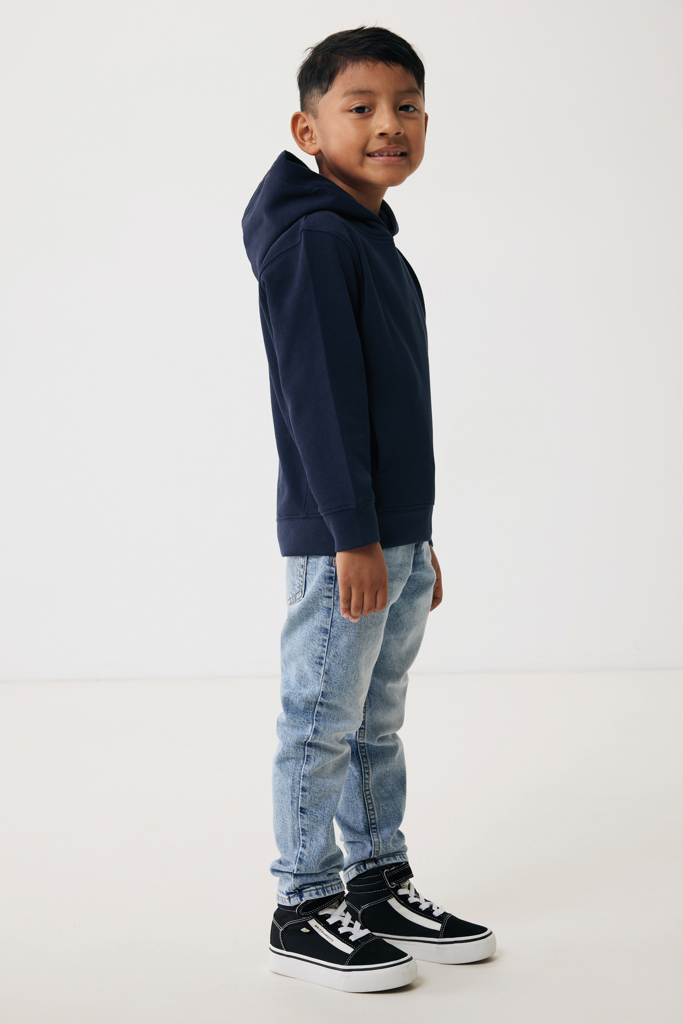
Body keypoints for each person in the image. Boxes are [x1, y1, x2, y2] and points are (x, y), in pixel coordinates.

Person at [242, 25, 496, 993]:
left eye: (407, 107)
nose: (389, 124)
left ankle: (375, 879)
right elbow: (320, 403)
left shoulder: (369, 241)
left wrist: (413, 540)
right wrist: (353, 535)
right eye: (361, 107)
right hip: (343, 538)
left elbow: (389, 411)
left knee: (372, 720)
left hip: (390, 537)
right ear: (308, 130)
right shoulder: (314, 241)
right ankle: (301, 904)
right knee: (320, 720)